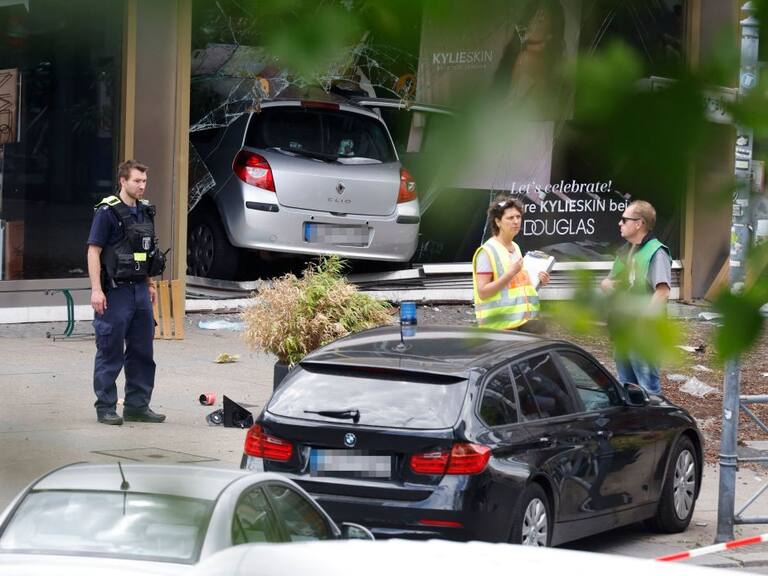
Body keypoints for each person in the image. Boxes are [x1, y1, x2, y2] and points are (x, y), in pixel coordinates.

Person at [87, 160, 166, 425]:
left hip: (140, 290)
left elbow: (144, 252)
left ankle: (137, 406)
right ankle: (106, 407)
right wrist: (96, 290)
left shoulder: (145, 211)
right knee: (110, 351)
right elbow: (93, 252)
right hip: (115, 292)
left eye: (144, 181)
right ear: (123, 181)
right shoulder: (106, 212)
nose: (142, 186)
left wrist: (150, 284)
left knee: (143, 351)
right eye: (137, 181)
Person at [600, 200, 672, 395]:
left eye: (624, 220)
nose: (619, 223)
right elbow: (611, 282)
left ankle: (654, 416)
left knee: (648, 390)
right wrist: (606, 284)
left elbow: (662, 292)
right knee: (627, 387)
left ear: (639, 223)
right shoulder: (625, 251)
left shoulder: (656, 252)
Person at [472, 196, 550, 332]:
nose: (516, 221)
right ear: (498, 222)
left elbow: (516, 286)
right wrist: (511, 273)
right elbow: (483, 292)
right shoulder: (487, 251)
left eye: (518, 217)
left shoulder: (515, 247)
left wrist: (538, 281)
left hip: (524, 321)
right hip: (501, 327)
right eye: (510, 218)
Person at [493, 0, 565, 113]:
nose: (532, 22)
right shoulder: (552, 63)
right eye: (532, 16)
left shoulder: (527, 59)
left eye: (540, 20)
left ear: (551, 33)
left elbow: (508, 109)